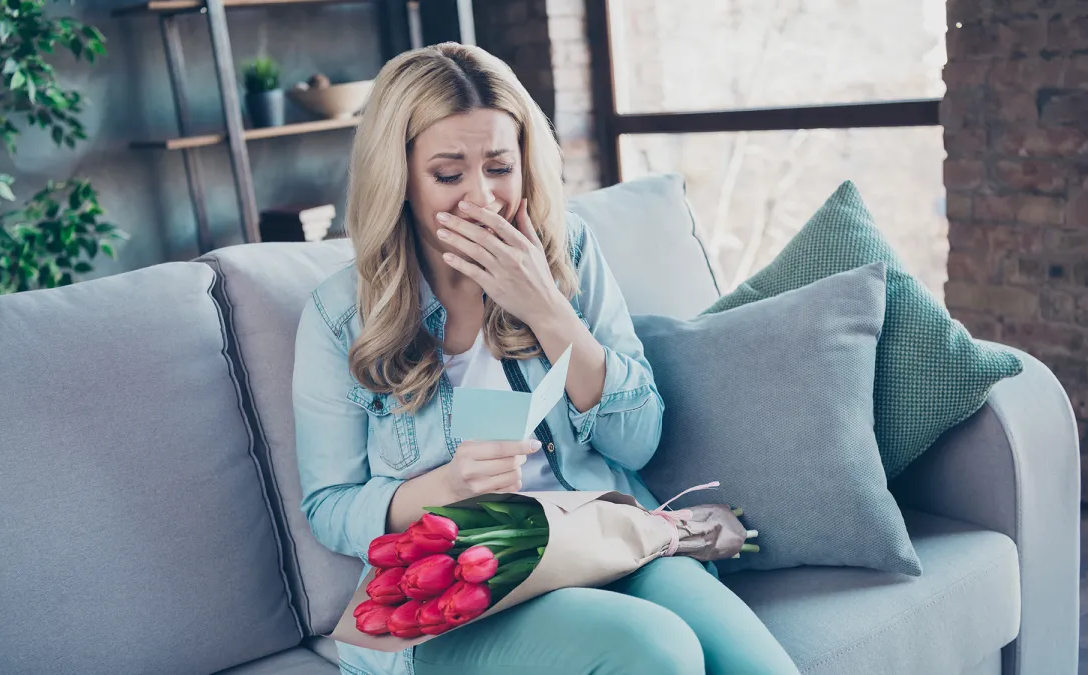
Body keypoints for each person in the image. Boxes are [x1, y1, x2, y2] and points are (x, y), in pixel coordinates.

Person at [292, 42, 800, 675]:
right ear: (398, 177)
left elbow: (638, 443)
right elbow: (329, 507)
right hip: (461, 587)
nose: (482, 198)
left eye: (500, 167)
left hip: (599, 540)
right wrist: (447, 487)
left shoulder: (570, 252)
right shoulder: (342, 312)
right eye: (448, 175)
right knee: (658, 652)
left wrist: (547, 308)